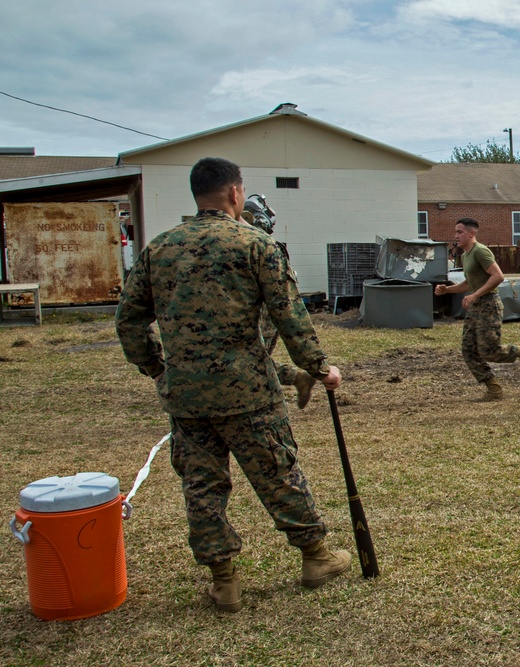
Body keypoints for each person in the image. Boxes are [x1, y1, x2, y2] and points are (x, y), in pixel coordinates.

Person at [115, 157, 351, 613]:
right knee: (278, 474)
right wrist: (322, 370)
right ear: (235, 193)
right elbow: (290, 317)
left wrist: (159, 369)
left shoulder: (160, 249)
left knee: (202, 489)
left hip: (186, 397)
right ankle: (316, 559)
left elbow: (128, 320)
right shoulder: (256, 245)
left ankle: (224, 583)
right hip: (248, 394)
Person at [434, 218, 520, 400]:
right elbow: (469, 283)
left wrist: (476, 295)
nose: (456, 236)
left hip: (489, 304)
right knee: (468, 350)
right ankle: (493, 388)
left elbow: (498, 276)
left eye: (460, 232)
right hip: (476, 306)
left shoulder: (480, 252)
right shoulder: (465, 255)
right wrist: (448, 289)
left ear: (472, 234)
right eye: (455, 232)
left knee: (489, 350)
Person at [240, 194, 317, 410]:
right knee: (254, 359)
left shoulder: (263, 247)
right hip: (262, 308)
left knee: (253, 359)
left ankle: (296, 378)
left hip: (263, 309)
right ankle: (297, 378)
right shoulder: (258, 244)